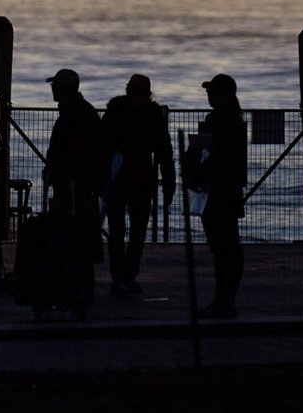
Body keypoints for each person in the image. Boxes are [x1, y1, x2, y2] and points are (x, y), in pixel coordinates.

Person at [100, 73, 175, 294]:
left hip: (125, 178)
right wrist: (169, 181)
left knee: (127, 230)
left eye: (137, 92)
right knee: (128, 230)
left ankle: (124, 275)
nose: (136, 96)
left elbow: (102, 145)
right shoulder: (153, 115)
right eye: (134, 92)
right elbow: (164, 151)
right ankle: (124, 276)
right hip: (135, 178)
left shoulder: (115, 111)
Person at [186, 72, 247, 319]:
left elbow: (222, 158)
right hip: (212, 189)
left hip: (222, 190)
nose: (209, 96)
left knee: (226, 247)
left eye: (213, 92)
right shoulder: (219, 119)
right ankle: (222, 299)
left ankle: (225, 300)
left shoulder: (230, 123)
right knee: (221, 246)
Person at [43, 68, 107, 219]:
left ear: (63, 89)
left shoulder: (73, 114)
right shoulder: (80, 111)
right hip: (75, 183)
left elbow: (71, 150)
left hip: (75, 184)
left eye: (55, 85)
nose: (53, 89)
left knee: (73, 224)